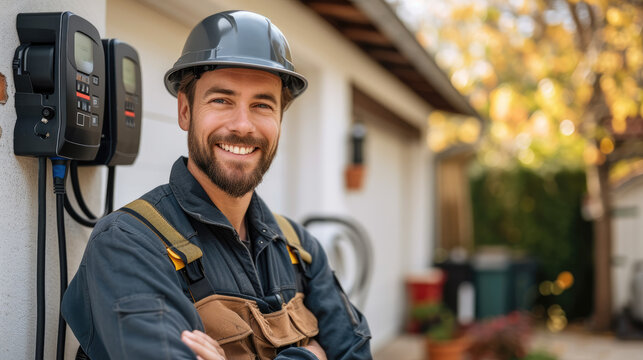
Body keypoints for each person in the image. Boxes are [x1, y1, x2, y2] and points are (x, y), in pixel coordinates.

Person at [61, 10, 372, 360]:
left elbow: (357, 352)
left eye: (262, 105)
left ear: (280, 121)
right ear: (185, 111)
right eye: (221, 100)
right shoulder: (128, 245)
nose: (243, 125)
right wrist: (313, 356)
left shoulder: (302, 251)